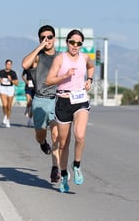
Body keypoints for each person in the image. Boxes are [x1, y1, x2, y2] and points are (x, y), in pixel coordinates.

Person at [46, 29, 95, 193]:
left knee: (80, 135)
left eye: (79, 43)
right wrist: (64, 76)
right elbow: (49, 80)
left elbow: (91, 67)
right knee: (63, 143)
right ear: (67, 42)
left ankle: (77, 165)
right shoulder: (60, 59)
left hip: (80, 99)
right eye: (72, 42)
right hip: (63, 101)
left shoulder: (84, 57)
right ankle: (64, 175)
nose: (75, 45)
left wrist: (89, 80)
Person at [21, 25, 60, 183]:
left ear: (54, 38)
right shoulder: (38, 57)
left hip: (57, 100)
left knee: (57, 135)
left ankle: (55, 168)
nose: (47, 40)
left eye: (49, 37)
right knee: (40, 135)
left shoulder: (60, 57)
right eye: (43, 37)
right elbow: (24, 64)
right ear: (40, 39)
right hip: (40, 100)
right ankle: (43, 143)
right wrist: (39, 47)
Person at [0, 59, 19, 128]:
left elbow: (17, 83)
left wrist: (11, 80)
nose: (8, 66)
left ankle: (8, 120)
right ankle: (5, 116)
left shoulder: (13, 73)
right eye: (7, 64)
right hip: (3, 88)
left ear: (11, 65)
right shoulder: (1, 71)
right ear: (5, 64)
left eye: (10, 64)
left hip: (10, 89)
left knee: (9, 106)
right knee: (4, 105)